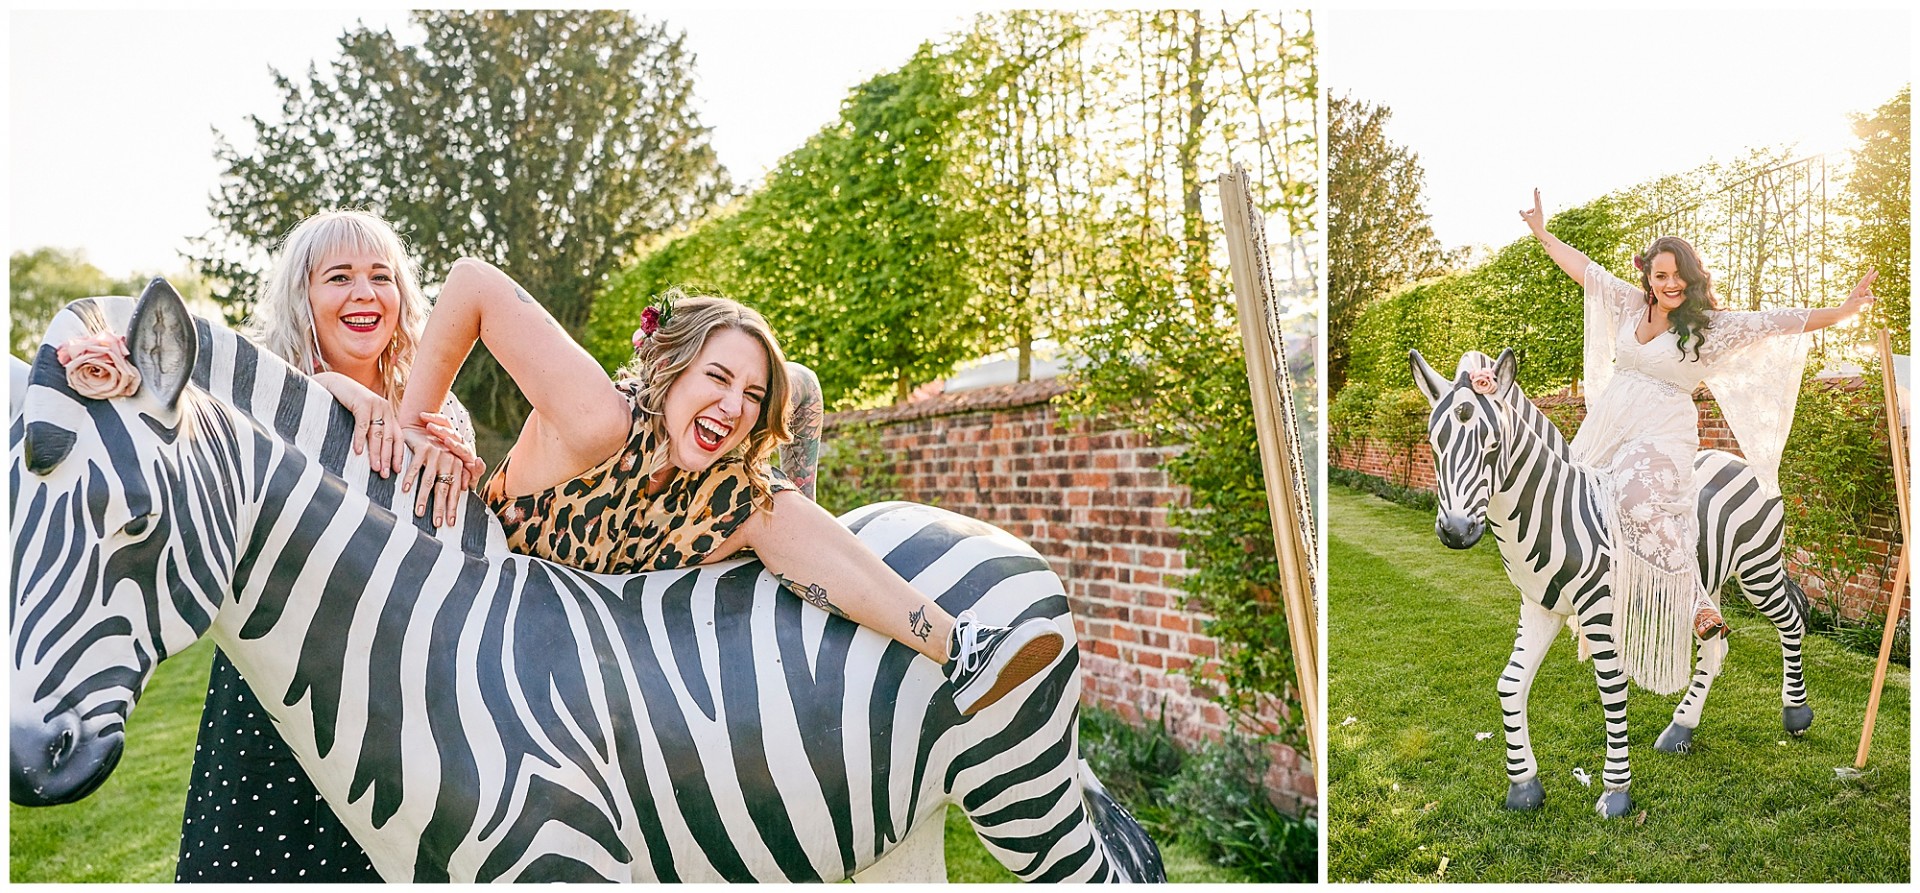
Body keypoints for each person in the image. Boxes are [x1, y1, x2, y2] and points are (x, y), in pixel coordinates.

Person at [392, 261, 1065, 718]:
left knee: (771, 499)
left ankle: (964, 648)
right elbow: (471, 283)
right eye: (716, 377)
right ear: (670, 371)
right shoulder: (599, 417)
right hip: (472, 619)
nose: (733, 404)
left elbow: (838, 556)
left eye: (751, 394)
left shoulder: (730, 496)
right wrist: (413, 426)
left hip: (578, 679)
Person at [177, 210, 481, 882]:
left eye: (381, 277)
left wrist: (461, 475)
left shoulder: (437, 409)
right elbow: (175, 392)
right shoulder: (256, 395)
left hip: (399, 694)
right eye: (338, 277)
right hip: (277, 687)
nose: (364, 293)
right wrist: (319, 389)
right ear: (303, 296)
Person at [1521, 188, 1876, 695]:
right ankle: (1593, 598)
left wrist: (1842, 311)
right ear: (1648, 275)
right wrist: (1542, 233)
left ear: (1692, 277)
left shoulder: (1710, 328)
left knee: (1635, 496)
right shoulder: (1628, 304)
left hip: (1663, 433)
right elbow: (1585, 271)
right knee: (1568, 506)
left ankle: (1695, 602)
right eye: (1659, 275)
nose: (1669, 284)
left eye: (1677, 275)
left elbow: (1776, 321)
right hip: (1609, 424)